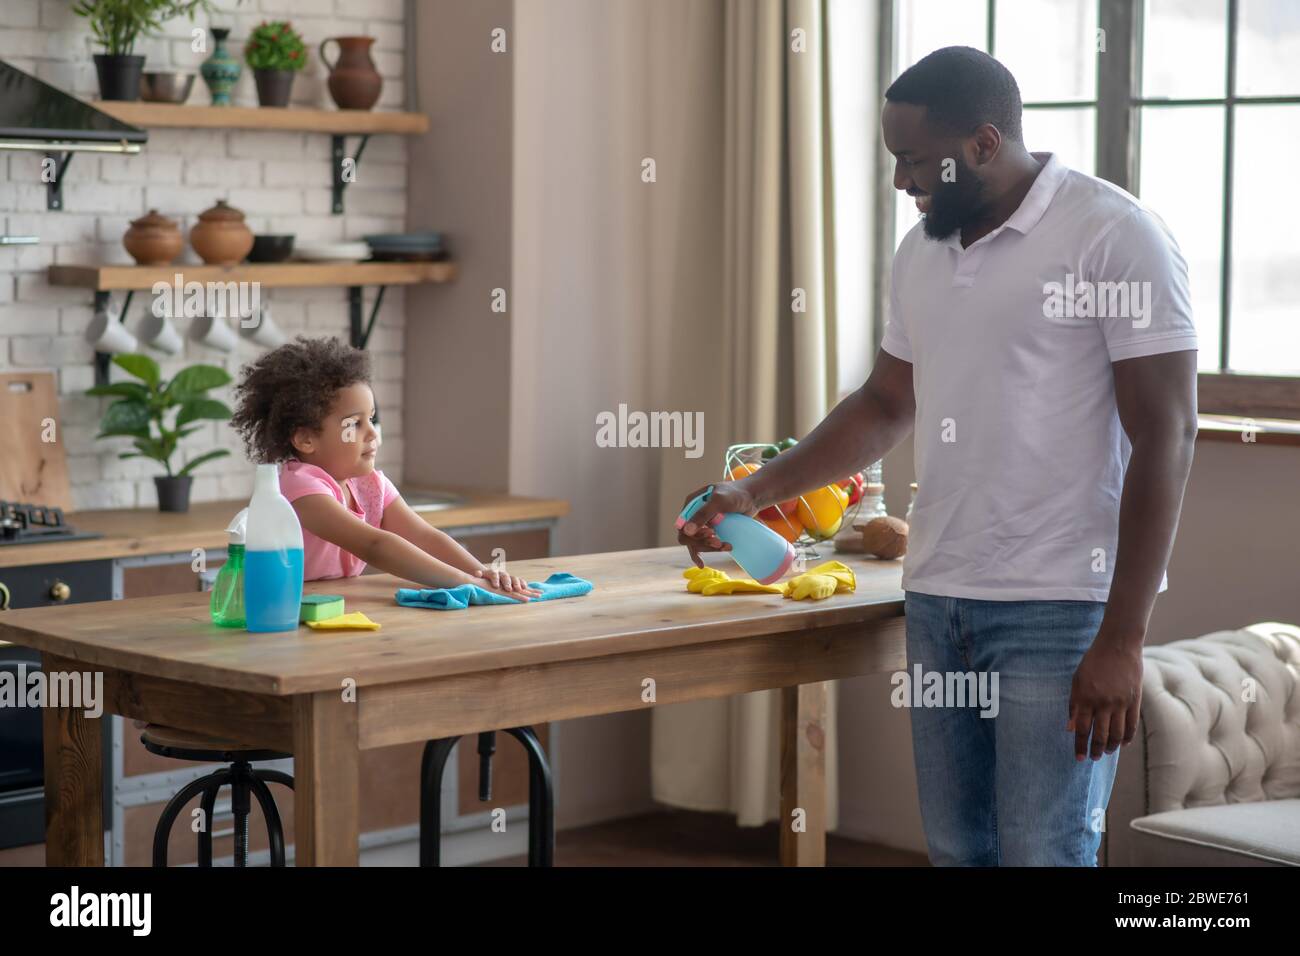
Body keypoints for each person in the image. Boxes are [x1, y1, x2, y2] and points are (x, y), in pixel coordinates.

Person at [677, 46, 1198, 866]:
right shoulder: (923, 250)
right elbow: (886, 404)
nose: (900, 183)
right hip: (940, 599)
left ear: (984, 145)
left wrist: (1123, 638)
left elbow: (1167, 434)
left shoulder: (1115, 236)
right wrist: (753, 493)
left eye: (915, 161)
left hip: (1060, 607)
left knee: (1045, 852)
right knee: (960, 850)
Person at [230, 335, 539, 599]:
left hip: (335, 609)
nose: (372, 433)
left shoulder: (369, 485)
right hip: (285, 614)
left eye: (372, 419)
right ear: (306, 439)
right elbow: (374, 545)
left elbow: (426, 537)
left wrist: (484, 574)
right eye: (354, 423)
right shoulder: (299, 488)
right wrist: (466, 584)